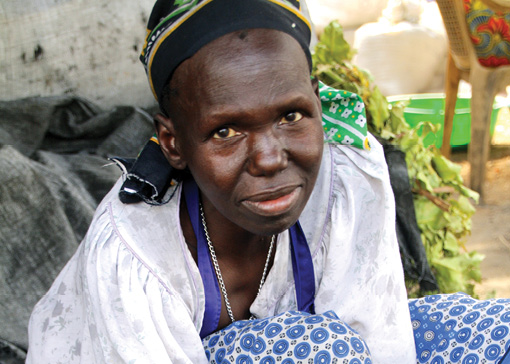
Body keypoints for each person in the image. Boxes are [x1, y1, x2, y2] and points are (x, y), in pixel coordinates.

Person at [26, 1, 510, 363]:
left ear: (317, 104)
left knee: (494, 332)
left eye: (292, 115)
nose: (270, 157)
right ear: (173, 143)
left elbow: (381, 339)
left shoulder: (346, 172)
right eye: (226, 131)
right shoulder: (136, 254)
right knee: (321, 350)